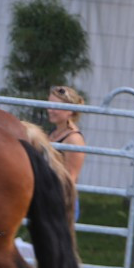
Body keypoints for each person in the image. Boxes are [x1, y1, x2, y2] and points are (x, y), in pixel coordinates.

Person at [47, 84, 87, 219]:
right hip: (49, 196)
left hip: (62, 202)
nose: (50, 110)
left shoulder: (74, 139)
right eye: (49, 104)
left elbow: (70, 178)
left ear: (70, 110)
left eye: (56, 106)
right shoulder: (54, 133)